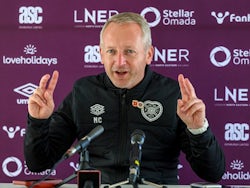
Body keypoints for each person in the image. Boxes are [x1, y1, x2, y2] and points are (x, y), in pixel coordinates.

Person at [24, 12, 225, 185]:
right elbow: (38, 163)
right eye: (111, 51)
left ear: (148, 54)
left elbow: (212, 173)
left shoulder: (172, 94)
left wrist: (198, 130)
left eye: (129, 51)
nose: (119, 62)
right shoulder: (83, 91)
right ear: (101, 54)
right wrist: (38, 122)